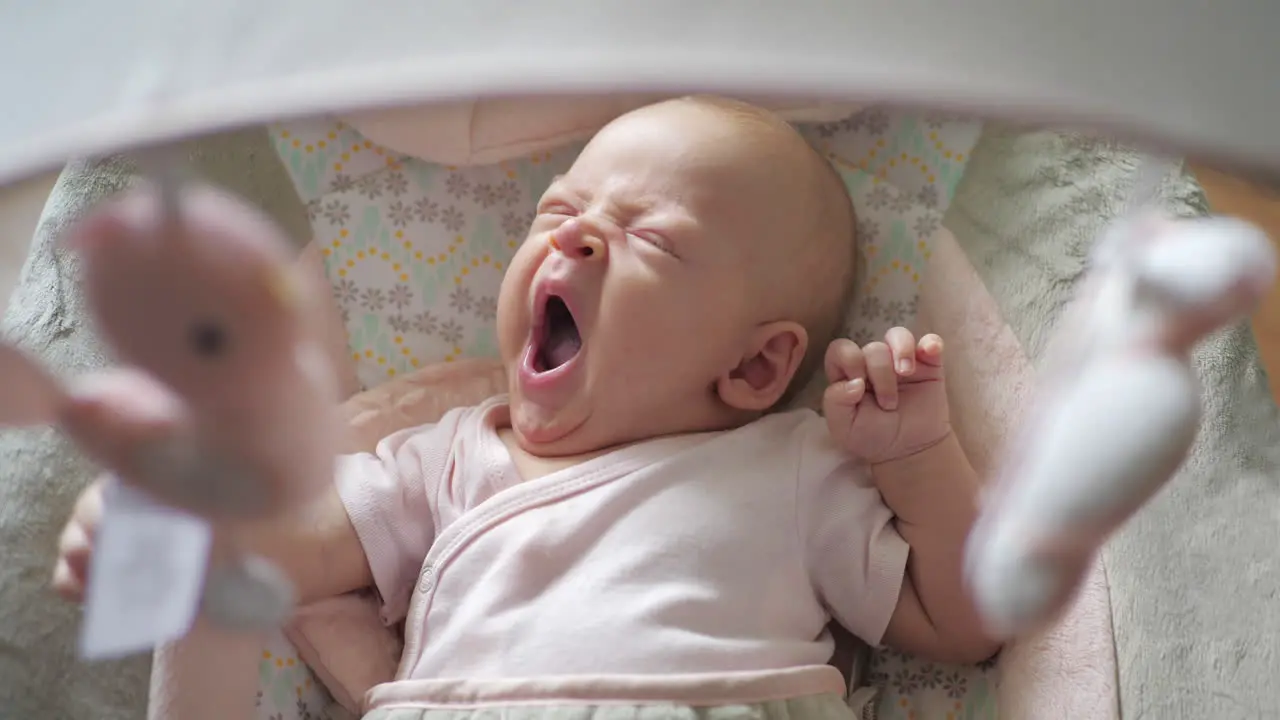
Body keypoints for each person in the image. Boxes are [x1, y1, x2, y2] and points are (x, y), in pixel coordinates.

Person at [53, 96, 999, 718]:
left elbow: (963, 622)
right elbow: (303, 537)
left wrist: (917, 455)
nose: (578, 236)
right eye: (558, 212)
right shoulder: (450, 455)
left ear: (756, 366)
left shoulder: (792, 465)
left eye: (651, 241)